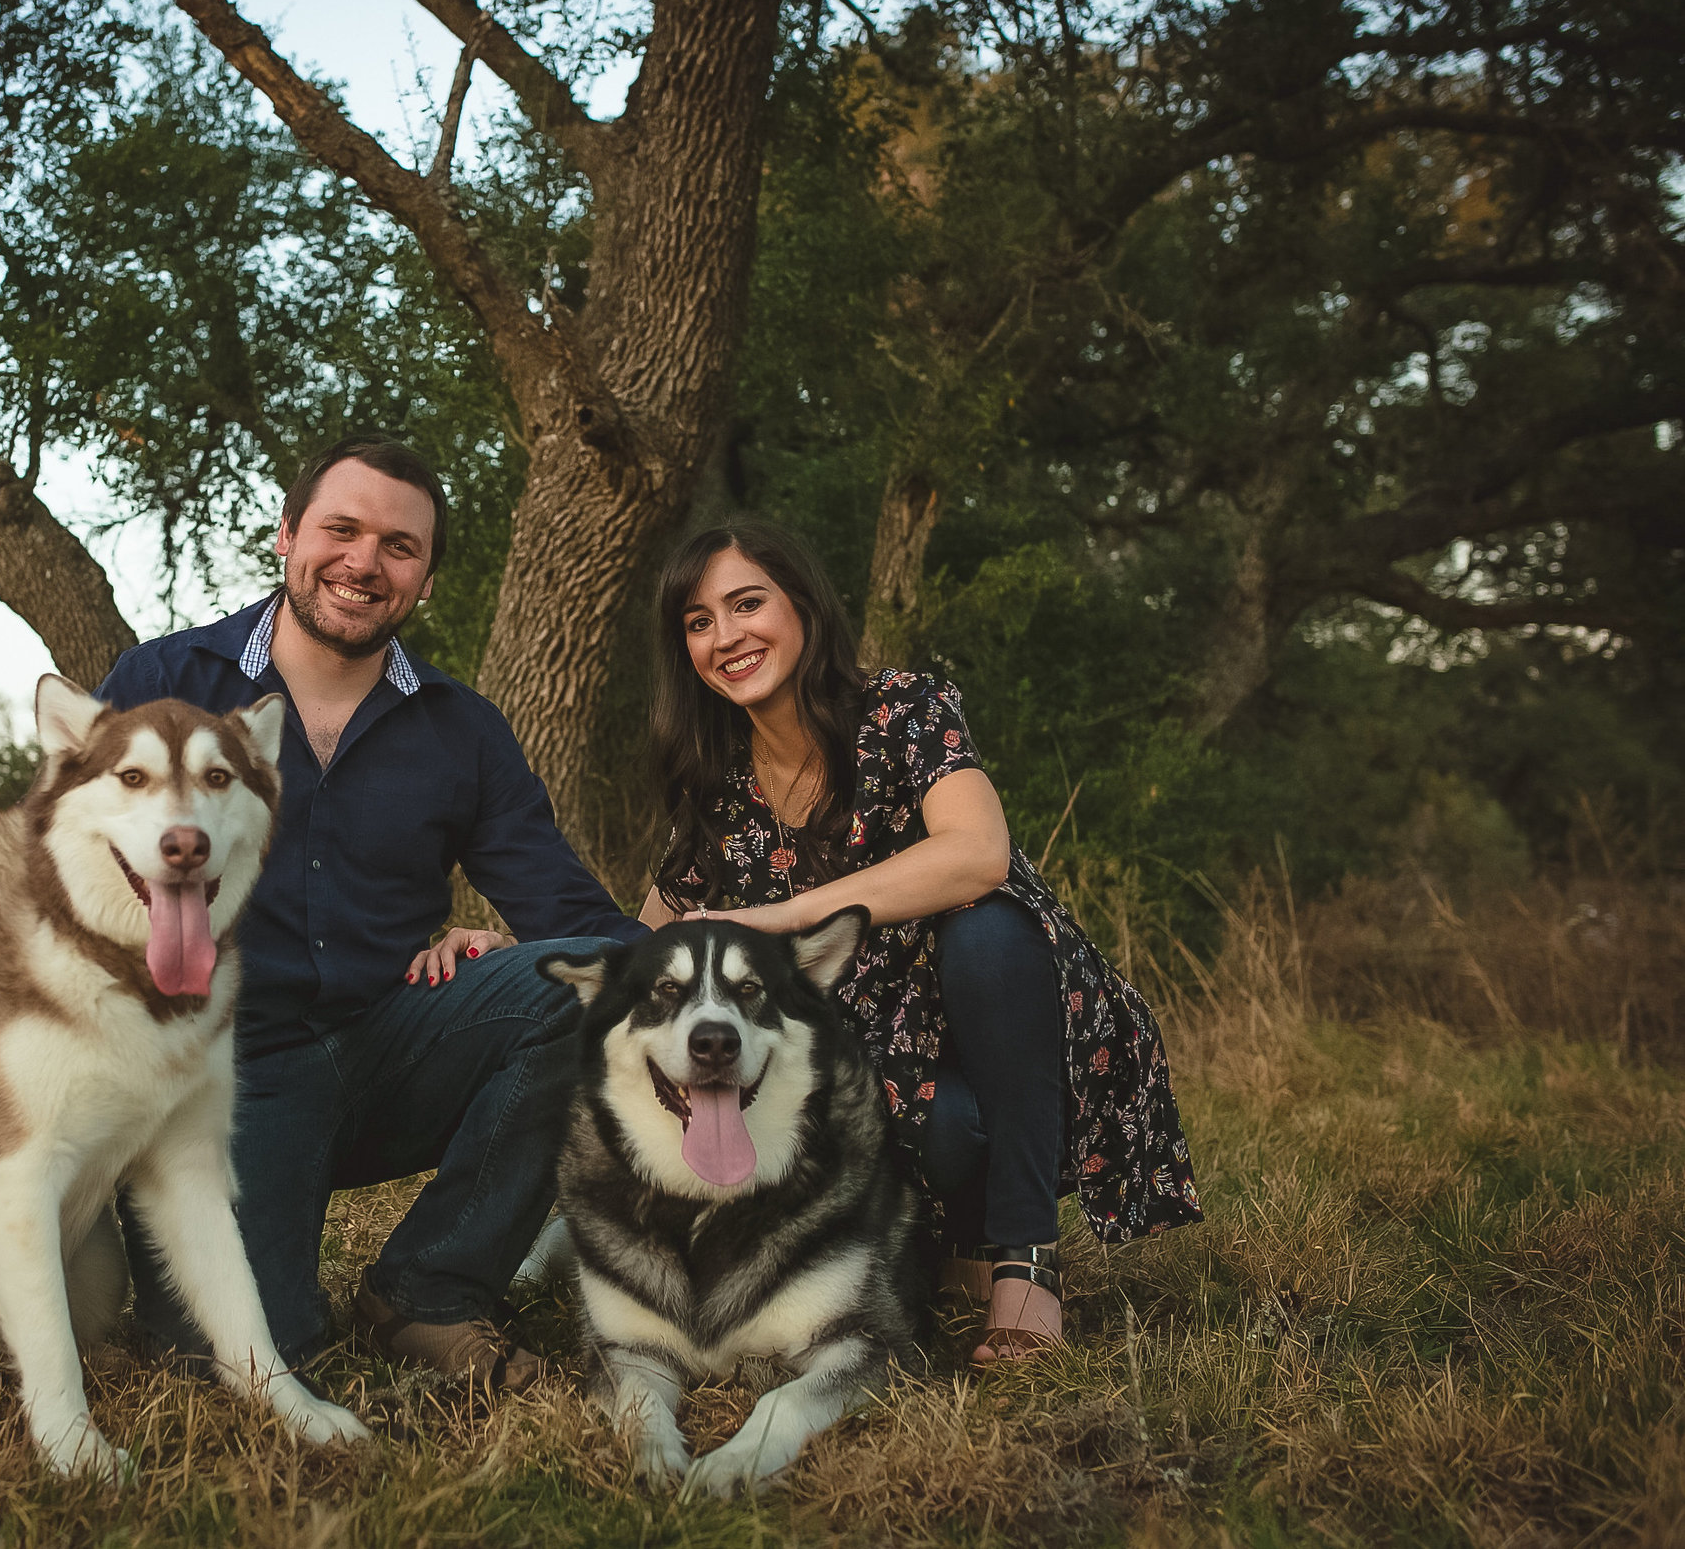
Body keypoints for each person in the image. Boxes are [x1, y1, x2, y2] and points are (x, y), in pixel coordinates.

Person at [97, 436, 648, 1389]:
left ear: (426, 578)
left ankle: (429, 1289)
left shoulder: (461, 728)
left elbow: (563, 905)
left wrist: (710, 969)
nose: (364, 562)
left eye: (400, 546)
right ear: (286, 536)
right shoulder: (162, 681)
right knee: (240, 1363)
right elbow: (54, 872)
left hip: (392, 1038)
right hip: (222, 1071)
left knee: (593, 979)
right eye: (341, 530)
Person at [640, 519, 1203, 1363]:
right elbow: (646, 939)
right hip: (887, 1073)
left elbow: (978, 855)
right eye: (698, 620)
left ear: (802, 603)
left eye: (747, 603)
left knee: (987, 929)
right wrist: (513, 945)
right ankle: (950, 1256)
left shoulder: (902, 708)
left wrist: (784, 915)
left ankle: (1028, 1262)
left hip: (1002, 1022)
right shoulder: (716, 778)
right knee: (918, 1117)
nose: (727, 636)